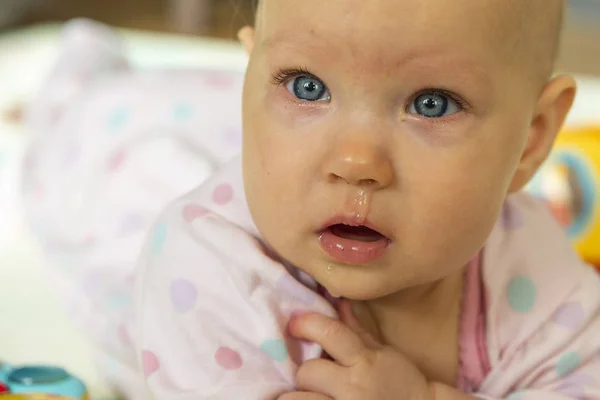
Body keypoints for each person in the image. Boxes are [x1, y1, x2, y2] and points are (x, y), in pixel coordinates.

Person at [24, 1, 600, 399]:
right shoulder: (205, 264)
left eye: (432, 104)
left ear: (531, 139)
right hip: (114, 183)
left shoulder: (532, 266)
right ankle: (77, 82)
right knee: (97, 147)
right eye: (305, 84)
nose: (356, 162)